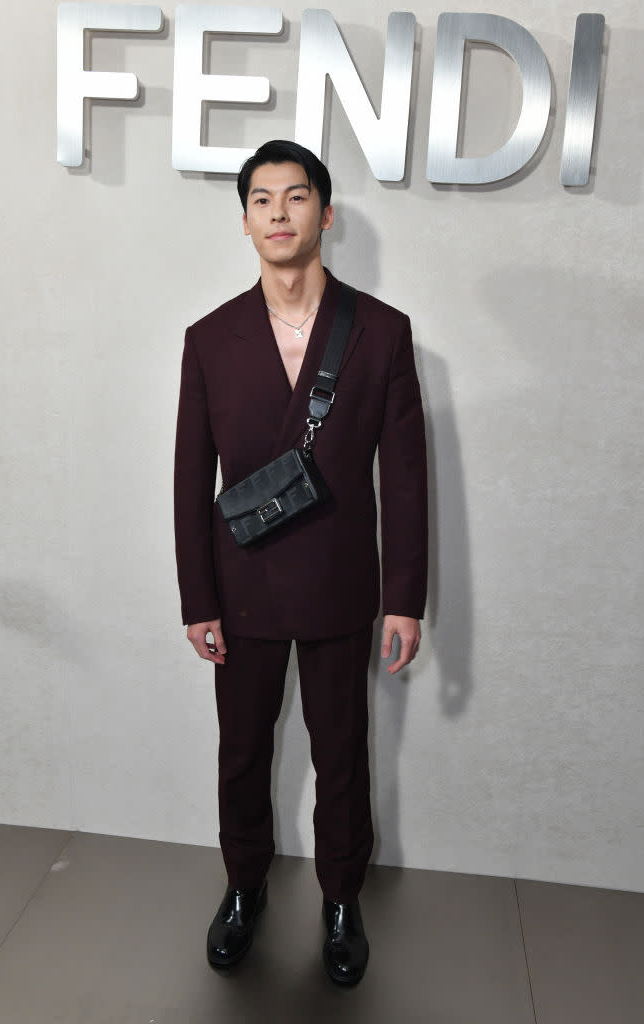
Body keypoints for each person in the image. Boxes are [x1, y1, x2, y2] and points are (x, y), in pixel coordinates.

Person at [174, 140, 428, 985]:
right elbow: (188, 476)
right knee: (241, 748)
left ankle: (341, 900)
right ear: (245, 221)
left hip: (338, 584)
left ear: (326, 212)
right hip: (239, 586)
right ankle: (243, 887)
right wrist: (195, 597)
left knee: (341, 748)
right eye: (260, 200)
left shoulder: (382, 331)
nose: (278, 214)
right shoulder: (209, 339)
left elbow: (405, 473)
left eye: (294, 197)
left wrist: (405, 599)